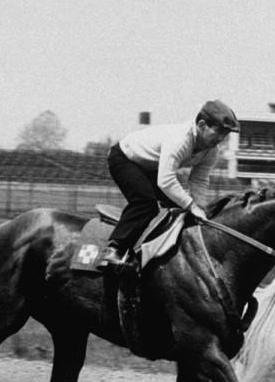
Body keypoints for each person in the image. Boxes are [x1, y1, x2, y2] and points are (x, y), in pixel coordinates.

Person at [100, 99, 240, 267]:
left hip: (151, 167)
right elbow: (165, 181)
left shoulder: (211, 151)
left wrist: (200, 207)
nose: (221, 139)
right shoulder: (180, 139)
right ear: (202, 125)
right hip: (124, 158)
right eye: (218, 132)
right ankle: (115, 248)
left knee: (179, 210)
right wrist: (192, 206)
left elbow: (199, 180)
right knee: (146, 203)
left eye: (225, 135)